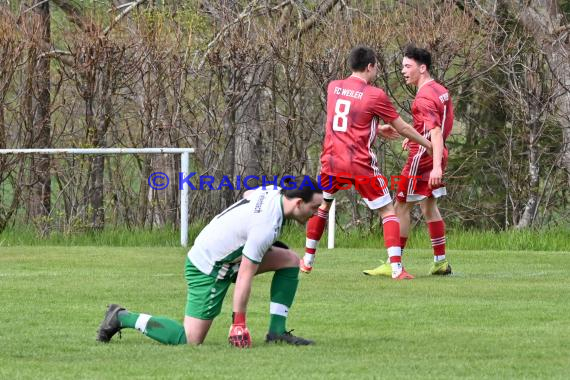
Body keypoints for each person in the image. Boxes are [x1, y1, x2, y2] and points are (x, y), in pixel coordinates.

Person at [96, 176, 323, 348]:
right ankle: (122, 317)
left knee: (290, 260)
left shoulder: (274, 191)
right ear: (298, 203)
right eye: (314, 208)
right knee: (190, 339)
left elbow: (247, 194)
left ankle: (277, 332)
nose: (316, 213)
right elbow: (245, 275)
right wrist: (239, 324)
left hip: (224, 256)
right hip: (209, 267)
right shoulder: (265, 227)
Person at [300, 46, 433, 280]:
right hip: (359, 163)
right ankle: (396, 269)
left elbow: (345, 119)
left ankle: (308, 261)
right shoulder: (374, 95)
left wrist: (375, 128)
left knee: (323, 206)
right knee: (387, 210)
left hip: (331, 160)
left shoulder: (333, 87)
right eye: (376, 67)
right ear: (370, 66)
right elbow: (402, 127)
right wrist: (428, 144)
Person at [370, 45, 453, 277]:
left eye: (408, 66)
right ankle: (440, 262)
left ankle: (393, 261)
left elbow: (435, 131)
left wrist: (434, 164)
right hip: (437, 151)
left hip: (424, 156)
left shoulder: (423, 97)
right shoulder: (439, 89)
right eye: (402, 66)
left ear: (422, 68)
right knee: (429, 206)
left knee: (400, 206)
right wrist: (416, 134)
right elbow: (436, 126)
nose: (403, 71)